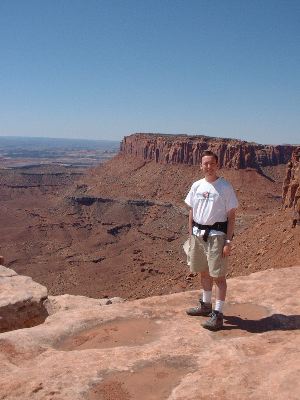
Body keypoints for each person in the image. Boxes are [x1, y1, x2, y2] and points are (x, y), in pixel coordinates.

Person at [184, 150, 238, 331]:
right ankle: (205, 306)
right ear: (201, 165)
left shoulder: (225, 187)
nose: (208, 167)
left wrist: (228, 242)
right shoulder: (197, 186)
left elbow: (232, 216)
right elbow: (191, 210)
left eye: (212, 163)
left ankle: (218, 315)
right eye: (205, 163)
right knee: (203, 272)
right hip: (198, 235)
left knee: (219, 277)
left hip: (217, 236)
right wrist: (190, 232)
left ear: (217, 165)